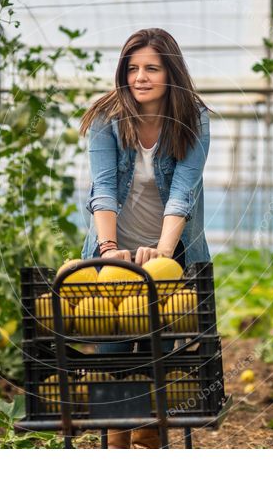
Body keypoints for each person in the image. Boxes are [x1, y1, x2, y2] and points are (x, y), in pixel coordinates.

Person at [78, 28, 213, 448]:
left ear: (171, 72)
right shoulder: (106, 116)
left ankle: (150, 437)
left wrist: (163, 255)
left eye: (151, 68)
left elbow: (184, 190)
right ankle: (118, 439)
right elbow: (102, 188)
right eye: (132, 68)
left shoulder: (194, 117)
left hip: (171, 249)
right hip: (113, 247)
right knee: (113, 349)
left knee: (162, 354)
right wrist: (108, 251)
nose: (140, 77)